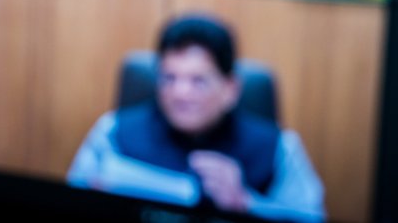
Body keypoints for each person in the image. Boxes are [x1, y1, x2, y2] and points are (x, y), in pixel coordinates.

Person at [67, 15, 325, 222]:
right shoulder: (112, 132)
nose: (180, 93)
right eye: (169, 78)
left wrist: (245, 203)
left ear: (231, 89)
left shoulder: (280, 148)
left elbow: (311, 216)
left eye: (198, 81)